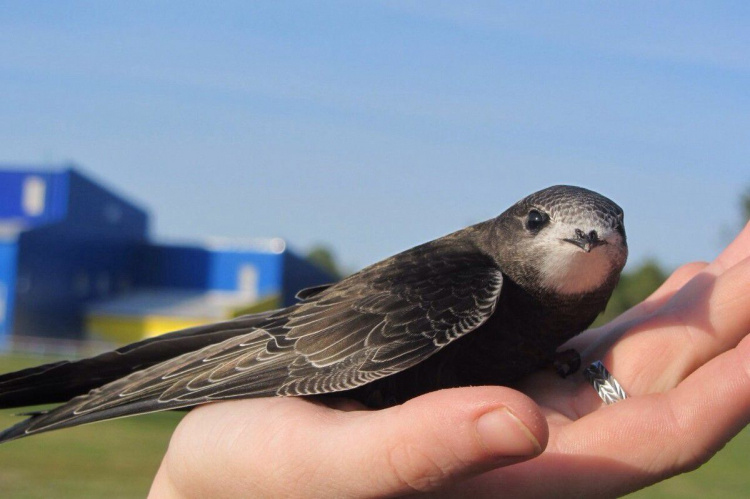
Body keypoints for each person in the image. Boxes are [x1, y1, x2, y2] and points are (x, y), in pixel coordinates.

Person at [149, 223, 750, 498]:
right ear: (517, 228)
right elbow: (299, 348)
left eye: (607, 230)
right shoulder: (463, 277)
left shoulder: (576, 296)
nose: (585, 239)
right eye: (543, 223)